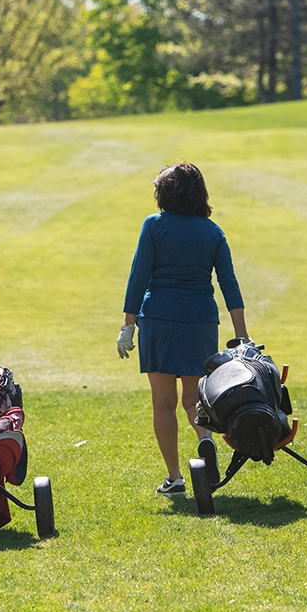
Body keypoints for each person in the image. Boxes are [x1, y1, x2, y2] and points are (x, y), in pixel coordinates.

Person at [118, 163, 248, 496]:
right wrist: (242, 334)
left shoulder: (154, 226)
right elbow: (228, 283)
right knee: (194, 399)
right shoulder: (212, 231)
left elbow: (138, 276)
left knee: (163, 403)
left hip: (158, 319)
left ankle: (175, 477)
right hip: (200, 322)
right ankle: (205, 440)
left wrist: (128, 325)